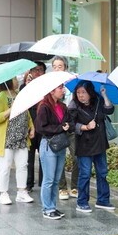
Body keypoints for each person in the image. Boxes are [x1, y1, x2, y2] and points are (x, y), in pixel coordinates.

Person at [69, 81, 115, 213]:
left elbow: (110, 110)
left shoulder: (98, 102)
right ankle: (82, 201)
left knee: (102, 172)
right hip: (84, 144)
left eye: (83, 92)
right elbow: (71, 125)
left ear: (90, 93)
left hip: (99, 142)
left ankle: (103, 200)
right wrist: (85, 127)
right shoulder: (74, 105)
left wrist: (104, 96)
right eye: (78, 93)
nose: (81, 95)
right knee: (85, 173)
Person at [0, 77, 35, 205]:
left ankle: (22, 192)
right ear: (8, 81)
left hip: (21, 137)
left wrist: (31, 126)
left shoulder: (19, 95)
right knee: (5, 167)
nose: (17, 81)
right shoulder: (0, 97)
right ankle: (3, 194)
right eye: (15, 79)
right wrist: (10, 110)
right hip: (6, 138)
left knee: (22, 165)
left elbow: (26, 113)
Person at [35, 84, 70, 220]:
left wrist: (67, 126)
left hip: (60, 144)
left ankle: (53, 206)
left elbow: (68, 121)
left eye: (62, 88)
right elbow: (41, 128)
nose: (63, 90)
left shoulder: (62, 106)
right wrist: (60, 127)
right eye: (60, 88)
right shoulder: (44, 106)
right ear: (51, 90)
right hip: (48, 144)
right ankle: (47, 208)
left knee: (56, 179)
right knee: (49, 179)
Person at [52, 55, 78, 200]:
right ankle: (62, 188)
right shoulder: (49, 85)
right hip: (58, 127)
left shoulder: (72, 83)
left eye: (60, 66)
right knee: (60, 158)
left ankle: (74, 186)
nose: (57, 69)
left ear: (65, 68)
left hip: (72, 126)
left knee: (76, 157)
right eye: (54, 66)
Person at [21, 61, 46, 192]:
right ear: (29, 72)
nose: (37, 72)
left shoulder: (48, 86)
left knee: (44, 156)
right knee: (29, 157)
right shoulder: (24, 87)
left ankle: (43, 183)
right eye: (34, 70)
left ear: (44, 72)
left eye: (40, 69)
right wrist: (26, 87)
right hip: (29, 125)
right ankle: (28, 183)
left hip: (44, 125)